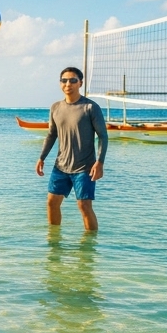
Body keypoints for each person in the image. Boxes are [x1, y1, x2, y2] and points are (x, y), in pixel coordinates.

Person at [35, 66, 107, 231]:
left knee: (84, 206)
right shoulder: (55, 108)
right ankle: (54, 244)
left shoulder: (90, 107)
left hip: (84, 167)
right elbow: (51, 135)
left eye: (73, 80)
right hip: (60, 166)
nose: (68, 84)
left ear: (80, 83)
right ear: (60, 84)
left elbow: (103, 136)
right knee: (52, 203)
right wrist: (41, 158)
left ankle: (89, 248)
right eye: (64, 80)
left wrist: (100, 162)